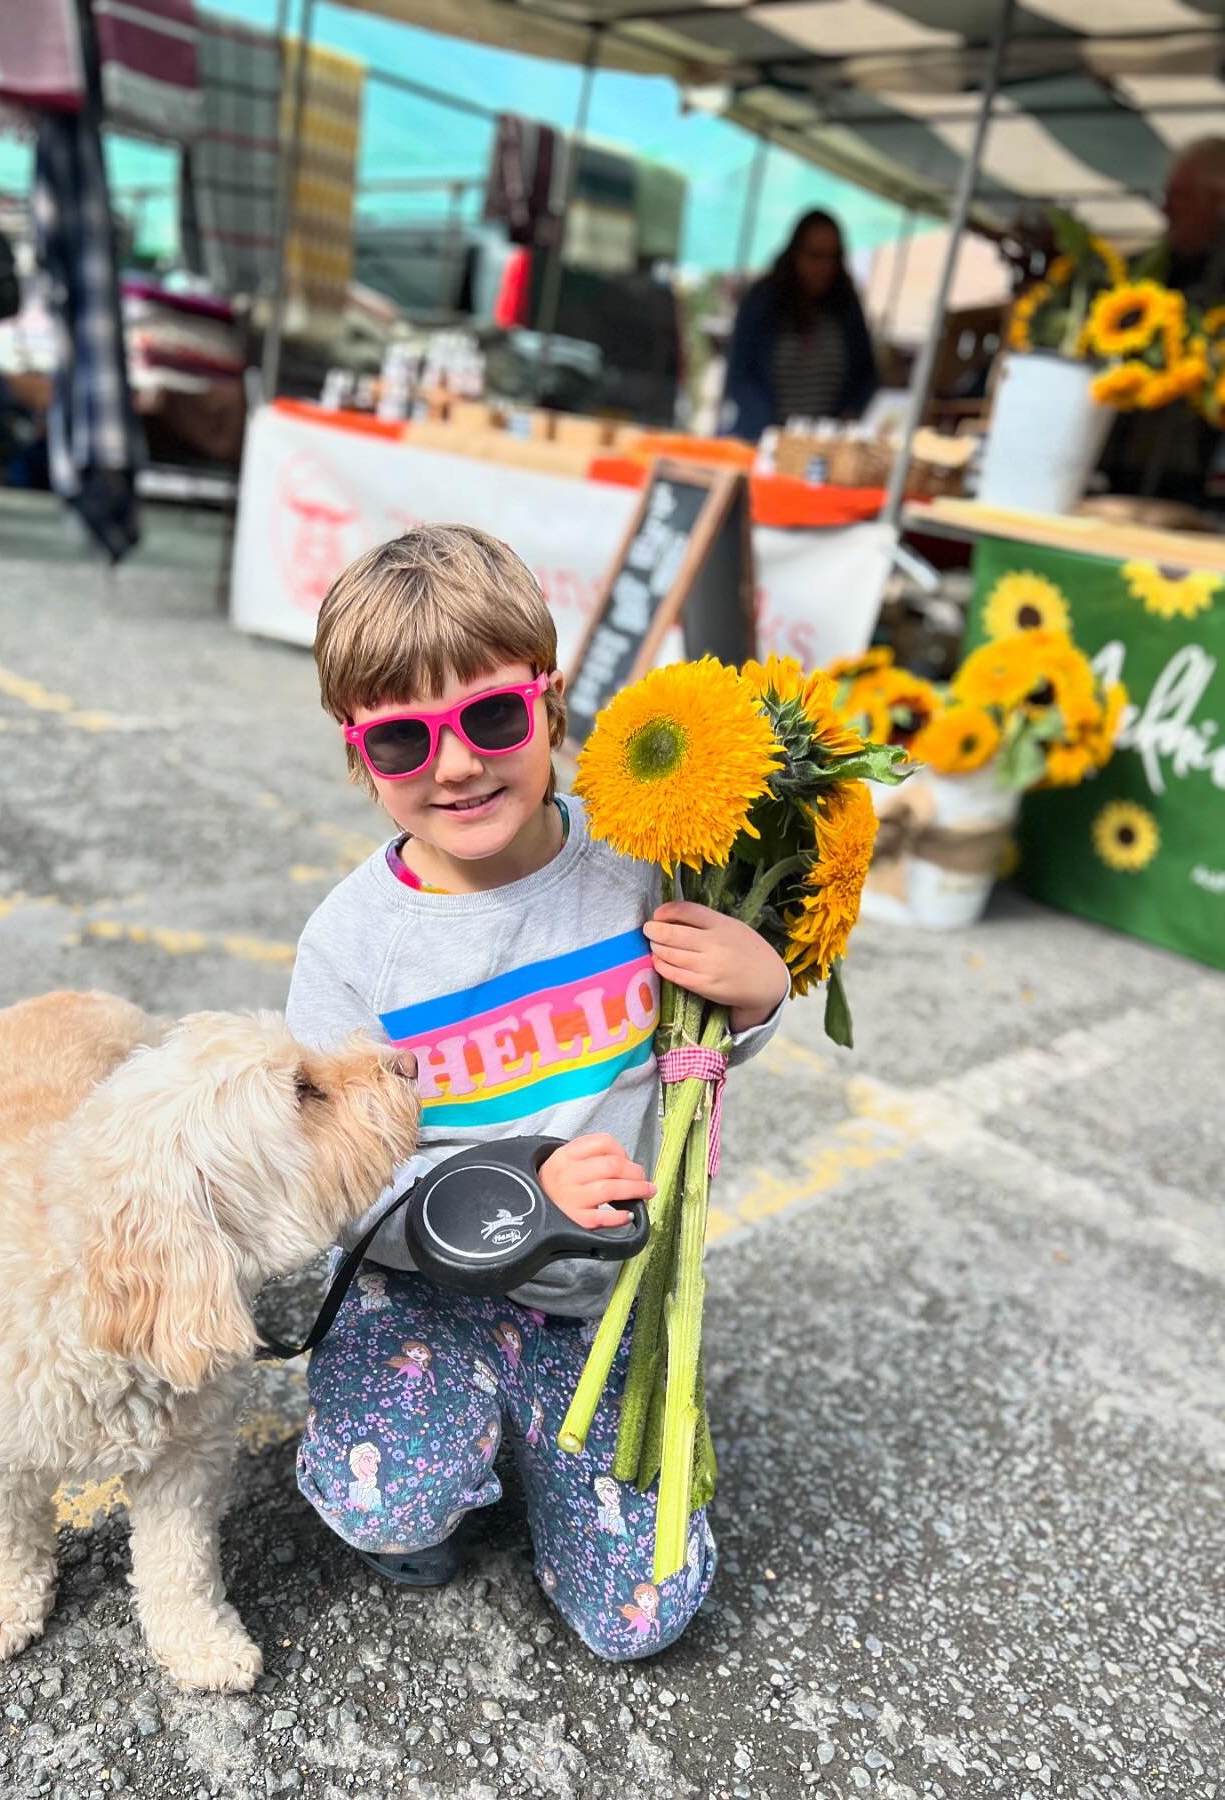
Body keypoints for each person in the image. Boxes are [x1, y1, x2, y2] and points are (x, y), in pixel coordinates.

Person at [286, 524, 789, 1659]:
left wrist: (761, 993)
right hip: (418, 1283)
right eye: (404, 739)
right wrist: (522, 1189)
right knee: (386, 1504)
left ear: (551, 703)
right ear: (356, 751)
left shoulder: (638, 871)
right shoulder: (354, 945)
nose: (457, 765)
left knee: (638, 1617)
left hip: (591, 1299)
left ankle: (523, 1436)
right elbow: (333, 1177)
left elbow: (699, 1048)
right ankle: (427, 1466)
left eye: (493, 718)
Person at [1101, 137, 1225, 506]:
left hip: (1194, 473)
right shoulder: (1147, 268)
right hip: (1122, 459)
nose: (1167, 209)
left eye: (1182, 195)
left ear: (1219, 201)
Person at [720, 208, 878, 441]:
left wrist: (847, 416)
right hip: (762, 439)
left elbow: (867, 375)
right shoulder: (762, 302)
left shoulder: (845, 307)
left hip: (823, 447)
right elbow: (739, 378)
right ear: (796, 253)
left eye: (832, 257)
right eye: (815, 256)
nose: (824, 267)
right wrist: (772, 431)